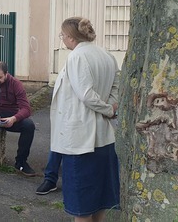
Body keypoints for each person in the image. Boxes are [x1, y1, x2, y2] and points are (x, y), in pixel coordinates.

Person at [51, 17, 120, 221]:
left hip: (81, 140)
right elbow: (116, 84)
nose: (62, 39)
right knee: (99, 202)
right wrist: (112, 106)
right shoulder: (107, 55)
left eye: (62, 35)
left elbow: (86, 95)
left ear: (70, 37)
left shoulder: (77, 57)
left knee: (80, 208)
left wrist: (108, 109)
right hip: (104, 137)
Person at [0, 61, 36, 176]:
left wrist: (14, 118)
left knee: (29, 126)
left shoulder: (15, 84)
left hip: (10, 115)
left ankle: (21, 162)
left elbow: (26, 109)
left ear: (7, 74)